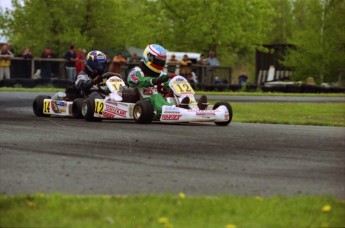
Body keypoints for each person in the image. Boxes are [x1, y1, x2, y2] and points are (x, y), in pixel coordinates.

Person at [127, 44, 208, 114]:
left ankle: (195, 107)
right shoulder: (136, 71)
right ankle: (176, 109)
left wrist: (173, 87)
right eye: (158, 61)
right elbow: (134, 80)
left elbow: (168, 84)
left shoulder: (161, 74)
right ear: (149, 58)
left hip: (161, 101)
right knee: (155, 96)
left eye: (161, 61)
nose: (160, 64)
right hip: (145, 101)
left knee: (175, 91)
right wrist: (153, 81)